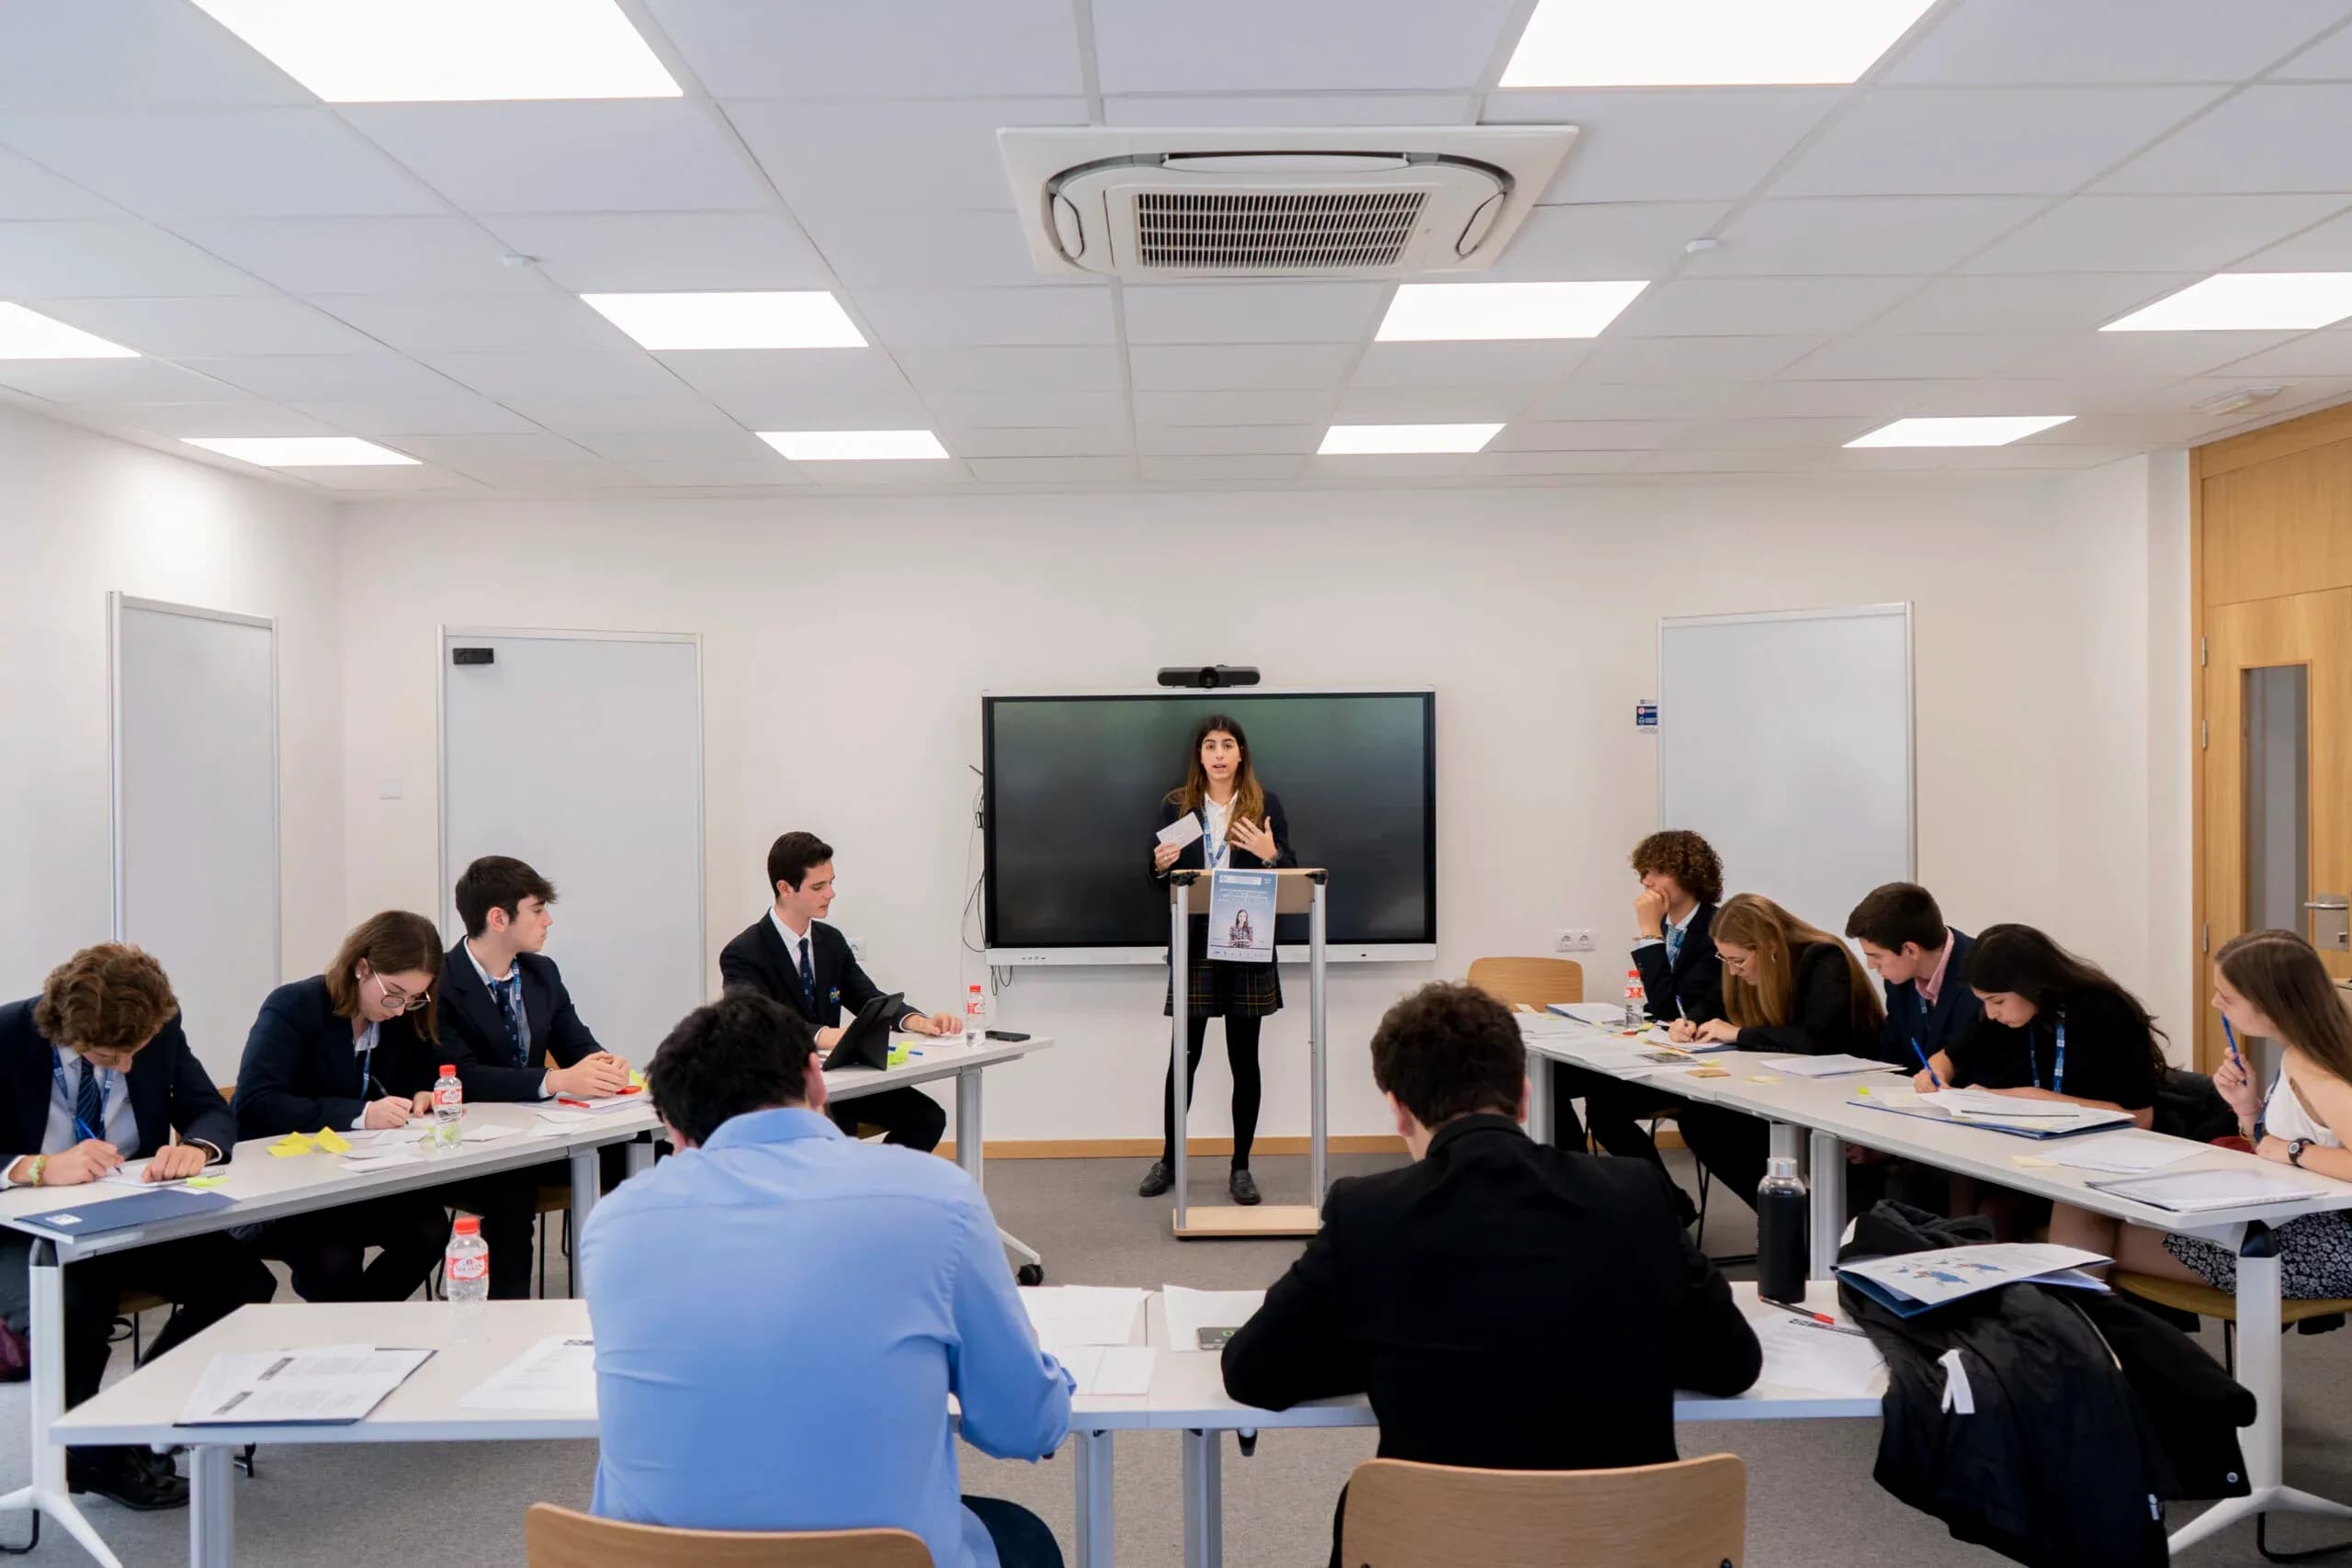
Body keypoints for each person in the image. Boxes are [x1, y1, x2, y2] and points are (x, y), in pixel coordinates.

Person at [1221, 981, 1760, 1568]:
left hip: (1431, 1548)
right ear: (1525, 1099)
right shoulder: (1636, 1192)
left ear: (1398, 1109)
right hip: (1630, 1546)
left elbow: (1252, 1373)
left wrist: (1379, 1344)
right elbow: (1734, 1363)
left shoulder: (1367, 1212)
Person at [580, 991, 1069, 1568]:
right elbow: (1021, 1425)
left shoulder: (614, 1223)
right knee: (1024, 1535)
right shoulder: (936, 1196)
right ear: (817, 1080)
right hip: (877, 1556)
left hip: (658, 1558)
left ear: (675, 1131)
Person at [0, 945, 276, 1511]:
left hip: (129, 1211)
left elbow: (213, 1110)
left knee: (245, 1286)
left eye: (136, 1052)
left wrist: (198, 1147)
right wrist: (38, 1168)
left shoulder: (159, 1026)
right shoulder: (5, 1036)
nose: (126, 1067)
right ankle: (95, 1456)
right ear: (64, 1030)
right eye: (107, 1055)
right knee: (76, 1303)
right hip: (24, 1227)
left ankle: (131, 1419)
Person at [2052, 930, 2352, 1298]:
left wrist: (2295, 1151)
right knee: (2083, 1210)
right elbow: (2280, 1142)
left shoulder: (2306, 1061)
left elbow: (2291, 1149)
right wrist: (2248, 1109)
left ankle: (2068, 1344)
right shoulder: (2316, 1046)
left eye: (2227, 997)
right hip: (2292, 1220)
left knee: (2081, 1223)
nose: (2214, 1003)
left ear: (2269, 1002)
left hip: (2323, 1245)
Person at [435, 855, 634, 1299]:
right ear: (498, 918)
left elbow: (576, 1044)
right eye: (538, 909)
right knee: (512, 1193)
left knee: (643, 1156)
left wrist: (605, 1065)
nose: (549, 920)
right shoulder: (443, 983)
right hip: (477, 1148)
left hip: (543, 1136)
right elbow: (462, 1076)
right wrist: (555, 1082)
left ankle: (623, 1297)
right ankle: (510, 1322)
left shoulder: (542, 973)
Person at [232, 911, 453, 1303]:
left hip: (361, 1180)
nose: (401, 1009)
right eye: (395, 993)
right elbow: (255, 1105)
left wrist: (424, 1093)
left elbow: (419, 1072)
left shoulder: (397, 1019)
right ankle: (357, 1336)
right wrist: (359, 1115)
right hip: (290, 1186)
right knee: (334, 1258)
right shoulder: (294, 1007)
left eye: (414, 998)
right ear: (361, 967)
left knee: (430, 1229)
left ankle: (360, 1329)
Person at [1917, 923, 2165, 1238]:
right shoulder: (2010, 1015)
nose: (1991, 1013)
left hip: (2100, 1161)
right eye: (1984, 1002)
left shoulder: (2106, 1012)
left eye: (1997, 1001)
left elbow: (2140, 1118)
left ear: (2029, 984)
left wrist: (2031, 1098)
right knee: (1959, 1180)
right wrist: (1934, 1072)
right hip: (2036, 1157)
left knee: (1993, 1215)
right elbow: (1951, 1055)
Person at [1139, 714, 1295, 1207]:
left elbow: (1291, 873)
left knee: (1244, 1060)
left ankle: (1241, 1167)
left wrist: (1273, 855)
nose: (1220, 754)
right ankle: (1169, 1159)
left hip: (1246, 934)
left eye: (1229, 745)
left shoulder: (1265, 804)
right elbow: (1156, 875)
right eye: (1211, 746)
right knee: (1182, 1058)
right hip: (1194, 935)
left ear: (1241, 753)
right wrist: (1159, 865)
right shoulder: (1177, 806)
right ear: (1200, 756)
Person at [718, 832, 959, 1151]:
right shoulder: (743, 953)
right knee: (832, 1136)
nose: (830, 894)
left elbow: (867, 997)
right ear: (785, 888)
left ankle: (872, 1195)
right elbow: (757, 1027)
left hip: (838, 1082)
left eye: (831, 882)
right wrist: (827, 1035)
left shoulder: (830, 941)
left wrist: (916, 1021)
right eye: (818, 887)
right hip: (782, 1092)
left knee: (927, 1118)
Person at [1548, 829, 1725, 1227]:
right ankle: (1580, 1188)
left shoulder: (1717, 929)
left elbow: (1674, 1008)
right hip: (1659, 1046)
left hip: (1697, 1061)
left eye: (1658, 872)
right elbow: (1658, 1010)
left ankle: (1665, 1203)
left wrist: (1648, 934)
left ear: (1689, 875)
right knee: (1553, 1080)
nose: (1646, 882)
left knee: (1606, 1110)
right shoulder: (1668, 924)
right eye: (1644, 872)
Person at [1670, 893, 1884, 1208]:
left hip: (1841, 1090)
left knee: (1727, 1128)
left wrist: (1740, 1034)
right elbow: (1710, 1004)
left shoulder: (1823, 958)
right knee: (1699, 1121)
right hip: (1784, 1086)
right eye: (1724, 960)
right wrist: (1689, 1022)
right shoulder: (1741, 965)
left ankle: (1792, 1220)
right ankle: (1776, 1216)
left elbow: (1814, 1040)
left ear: (1769, 945)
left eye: (1738, 961)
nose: (1732, 971)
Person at [1844, 882, 1981, 1212]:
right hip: (1915, 1121)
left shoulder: (1980, 973)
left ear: (1910, 949)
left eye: (1875, 956)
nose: (1871, 967)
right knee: (1841, 1165)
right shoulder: (1902, 981)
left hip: (1965, 1132)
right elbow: (1893, 1056)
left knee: (1905, 1188)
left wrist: (1890, 1146)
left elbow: (1978, 1073)